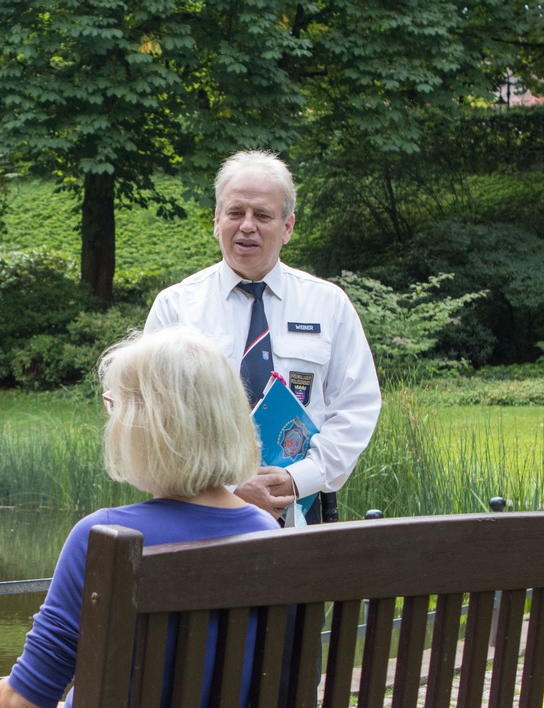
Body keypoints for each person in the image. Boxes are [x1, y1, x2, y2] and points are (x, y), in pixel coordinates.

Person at [0, 326, 280, 708]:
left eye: (115, 406)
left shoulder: (101, 537)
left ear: (146, 424)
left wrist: (3, 695)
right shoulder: (265, 533)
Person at [144, 150, 381, 523]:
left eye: (263, 215)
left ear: (288, 227)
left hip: (300, 512)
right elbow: (153, 417)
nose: (247, 225)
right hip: (199, 512)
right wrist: (230, 488)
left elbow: (357, 406)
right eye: (236, 213)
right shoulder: (176, 308)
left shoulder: (328, 304)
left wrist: (297, 478)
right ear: (217, 220)